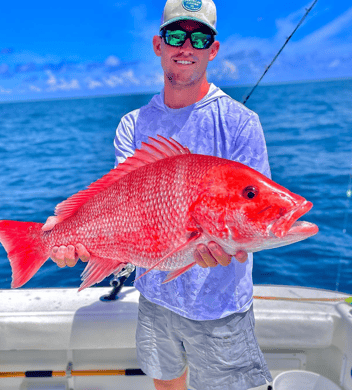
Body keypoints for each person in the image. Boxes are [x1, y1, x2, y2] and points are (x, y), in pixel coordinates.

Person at [49, 0, 273, 389]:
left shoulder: (240, 123)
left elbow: (253, 215)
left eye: (200, 36)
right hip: (154, 298)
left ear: (213, 50)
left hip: (219, 309)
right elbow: (120, 207)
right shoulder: (132, 125)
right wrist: (66, 230)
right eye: (176, 35)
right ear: (158, 45)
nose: (186, 46)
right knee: (166, 383)